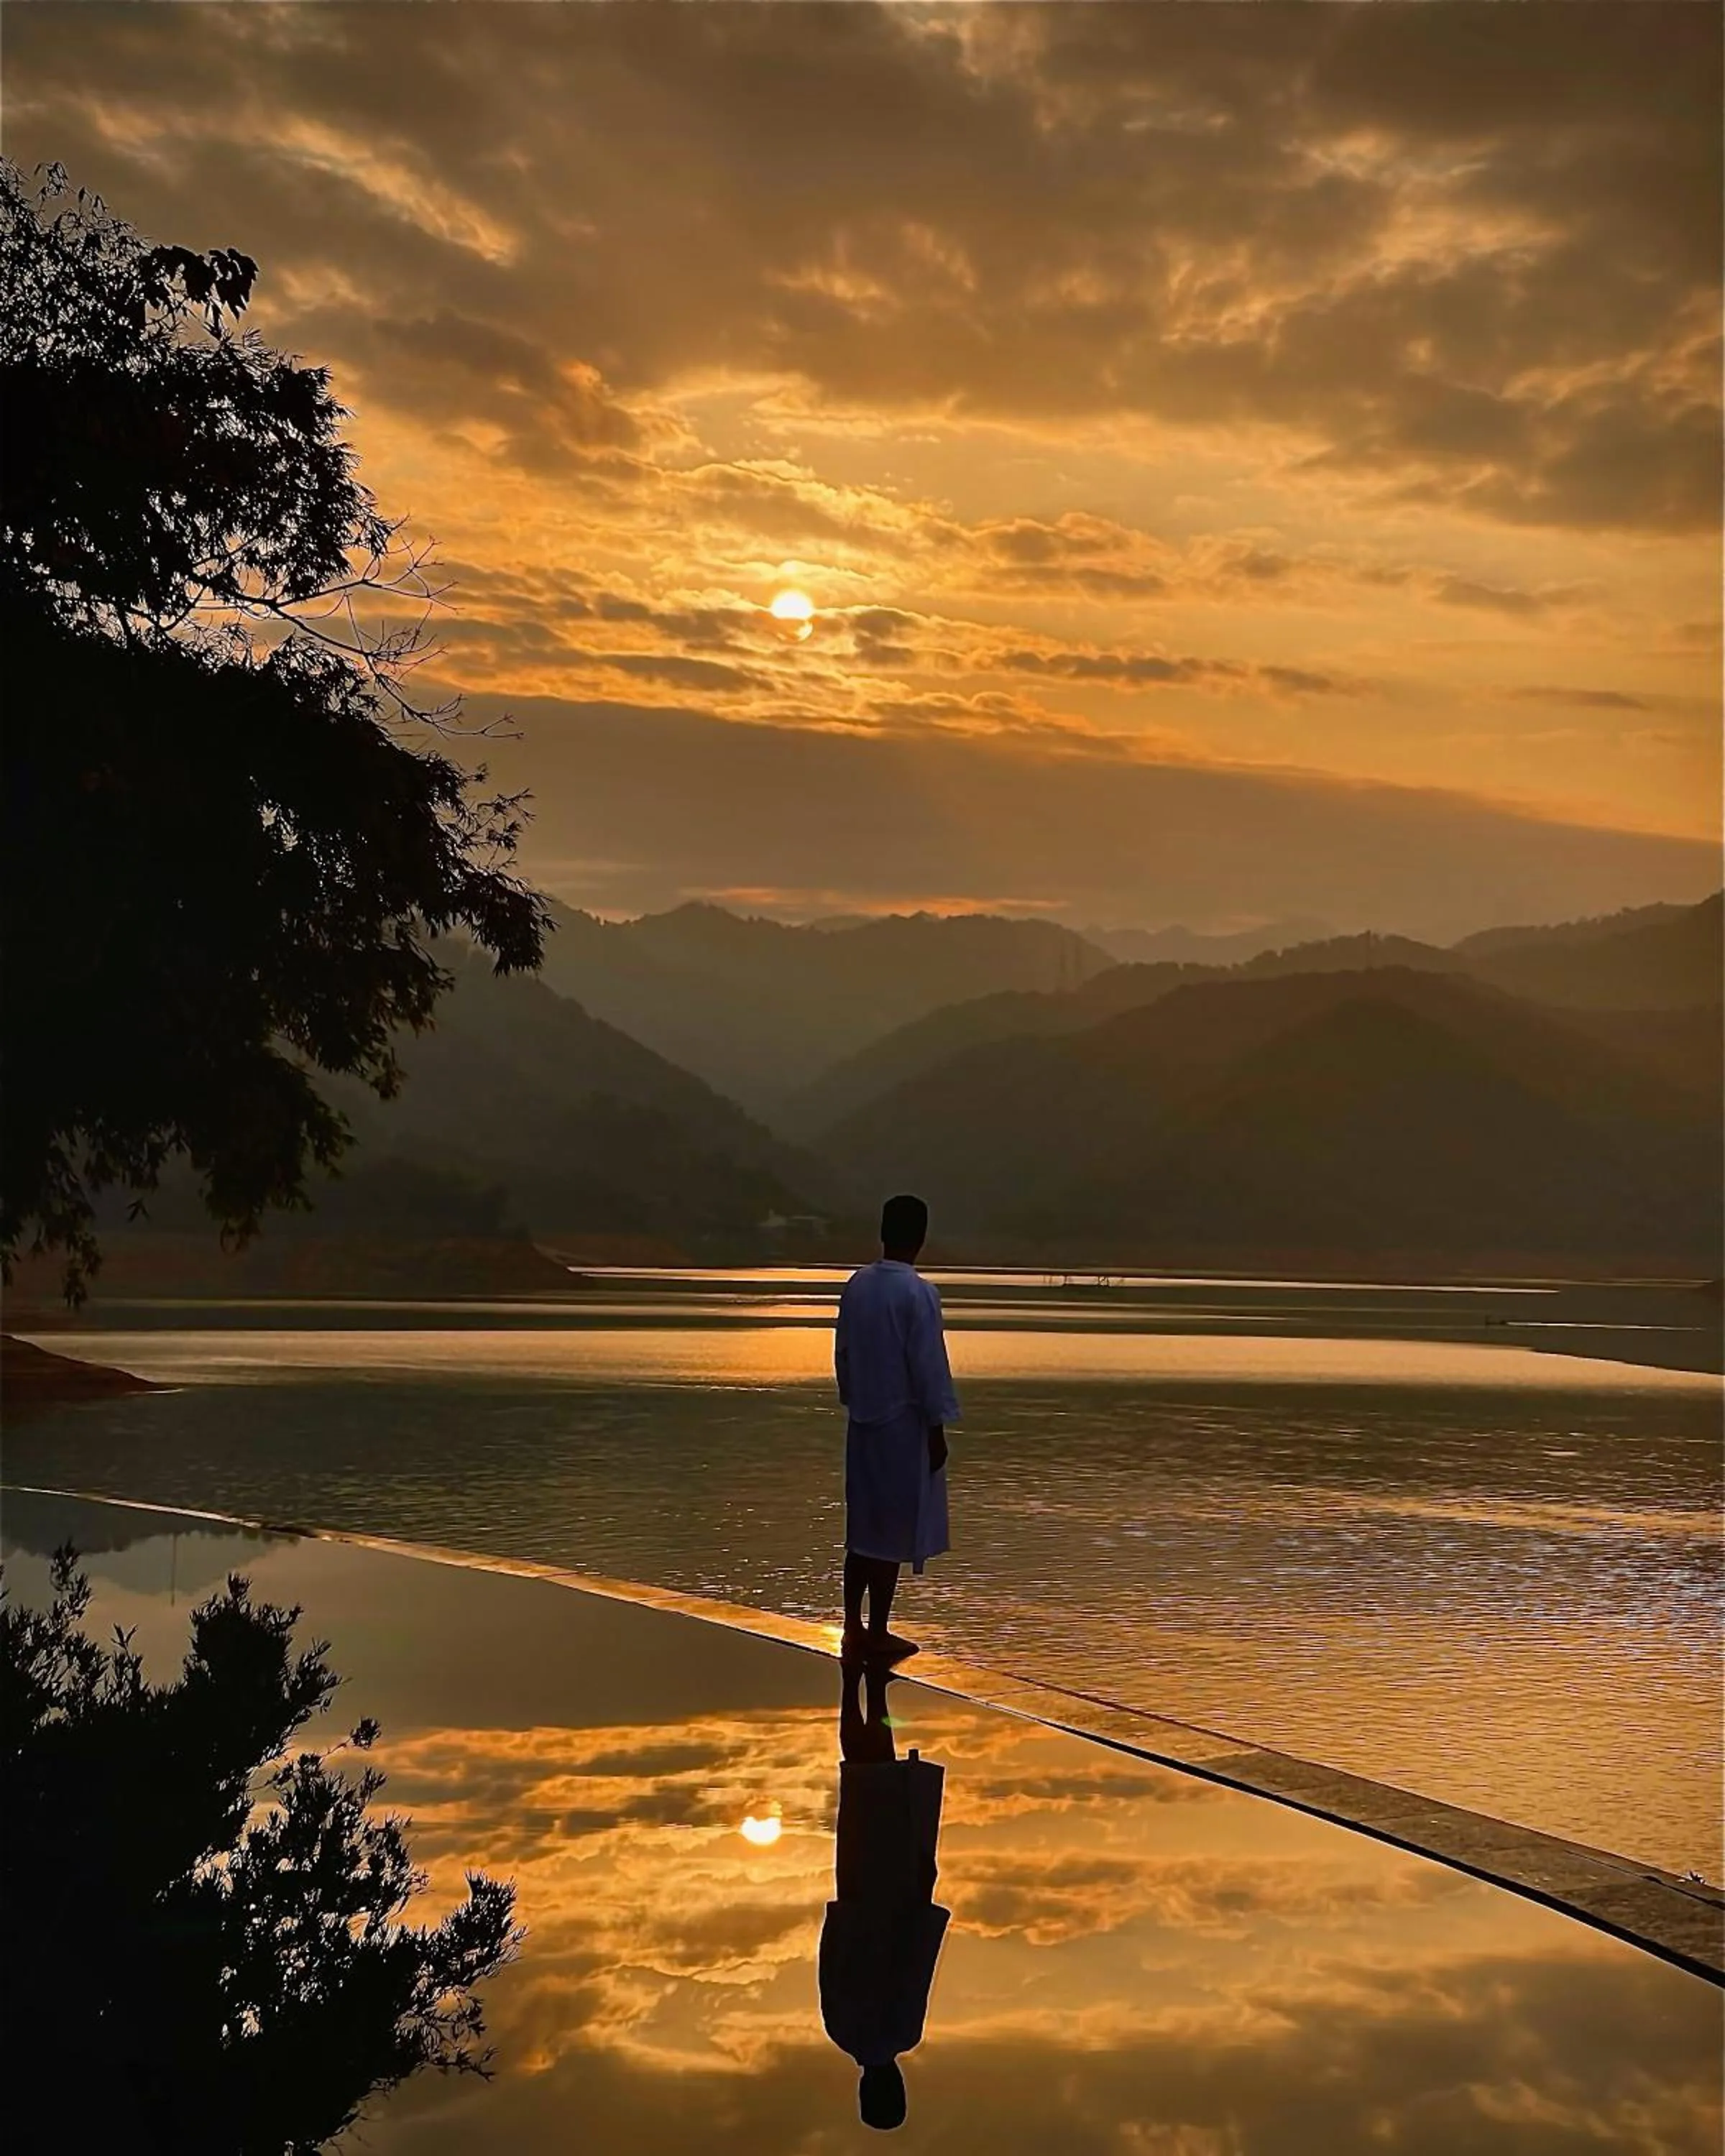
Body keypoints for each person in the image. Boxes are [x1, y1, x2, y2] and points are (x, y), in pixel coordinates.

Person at [818, 1659, 949, 2132]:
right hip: (855, 1896)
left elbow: (916, 1962)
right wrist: (839, 1914)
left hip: (894, 1899)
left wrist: (928, 1902)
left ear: (895, 2088)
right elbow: (828, 1960)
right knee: (862, 1782)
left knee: (890, 1791)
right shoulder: (839, 2031)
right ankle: (859, 1685)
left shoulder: (902, 2032)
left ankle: (873, 1687)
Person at [834, 1193, 960, 1663]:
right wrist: (936, 1428)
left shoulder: (858, 1285)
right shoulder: (918, 1293)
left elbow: (843, 1353)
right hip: (902, 1428)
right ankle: (878, 1630)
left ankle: (852, 1626)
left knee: (863, 1528)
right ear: (920, 1237)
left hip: (863, 1422)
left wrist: (854, 1399)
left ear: (883, 1232)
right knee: (890, 1531)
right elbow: (928, 1367)